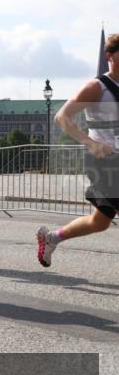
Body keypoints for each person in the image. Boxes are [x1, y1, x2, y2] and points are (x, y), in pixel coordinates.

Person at [37, 33, 119, 267]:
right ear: (110, 56)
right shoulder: (96, 88)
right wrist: (91, 143)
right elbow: (62, 117)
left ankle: (51, 238)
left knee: (99, 222)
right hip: (103, 162)